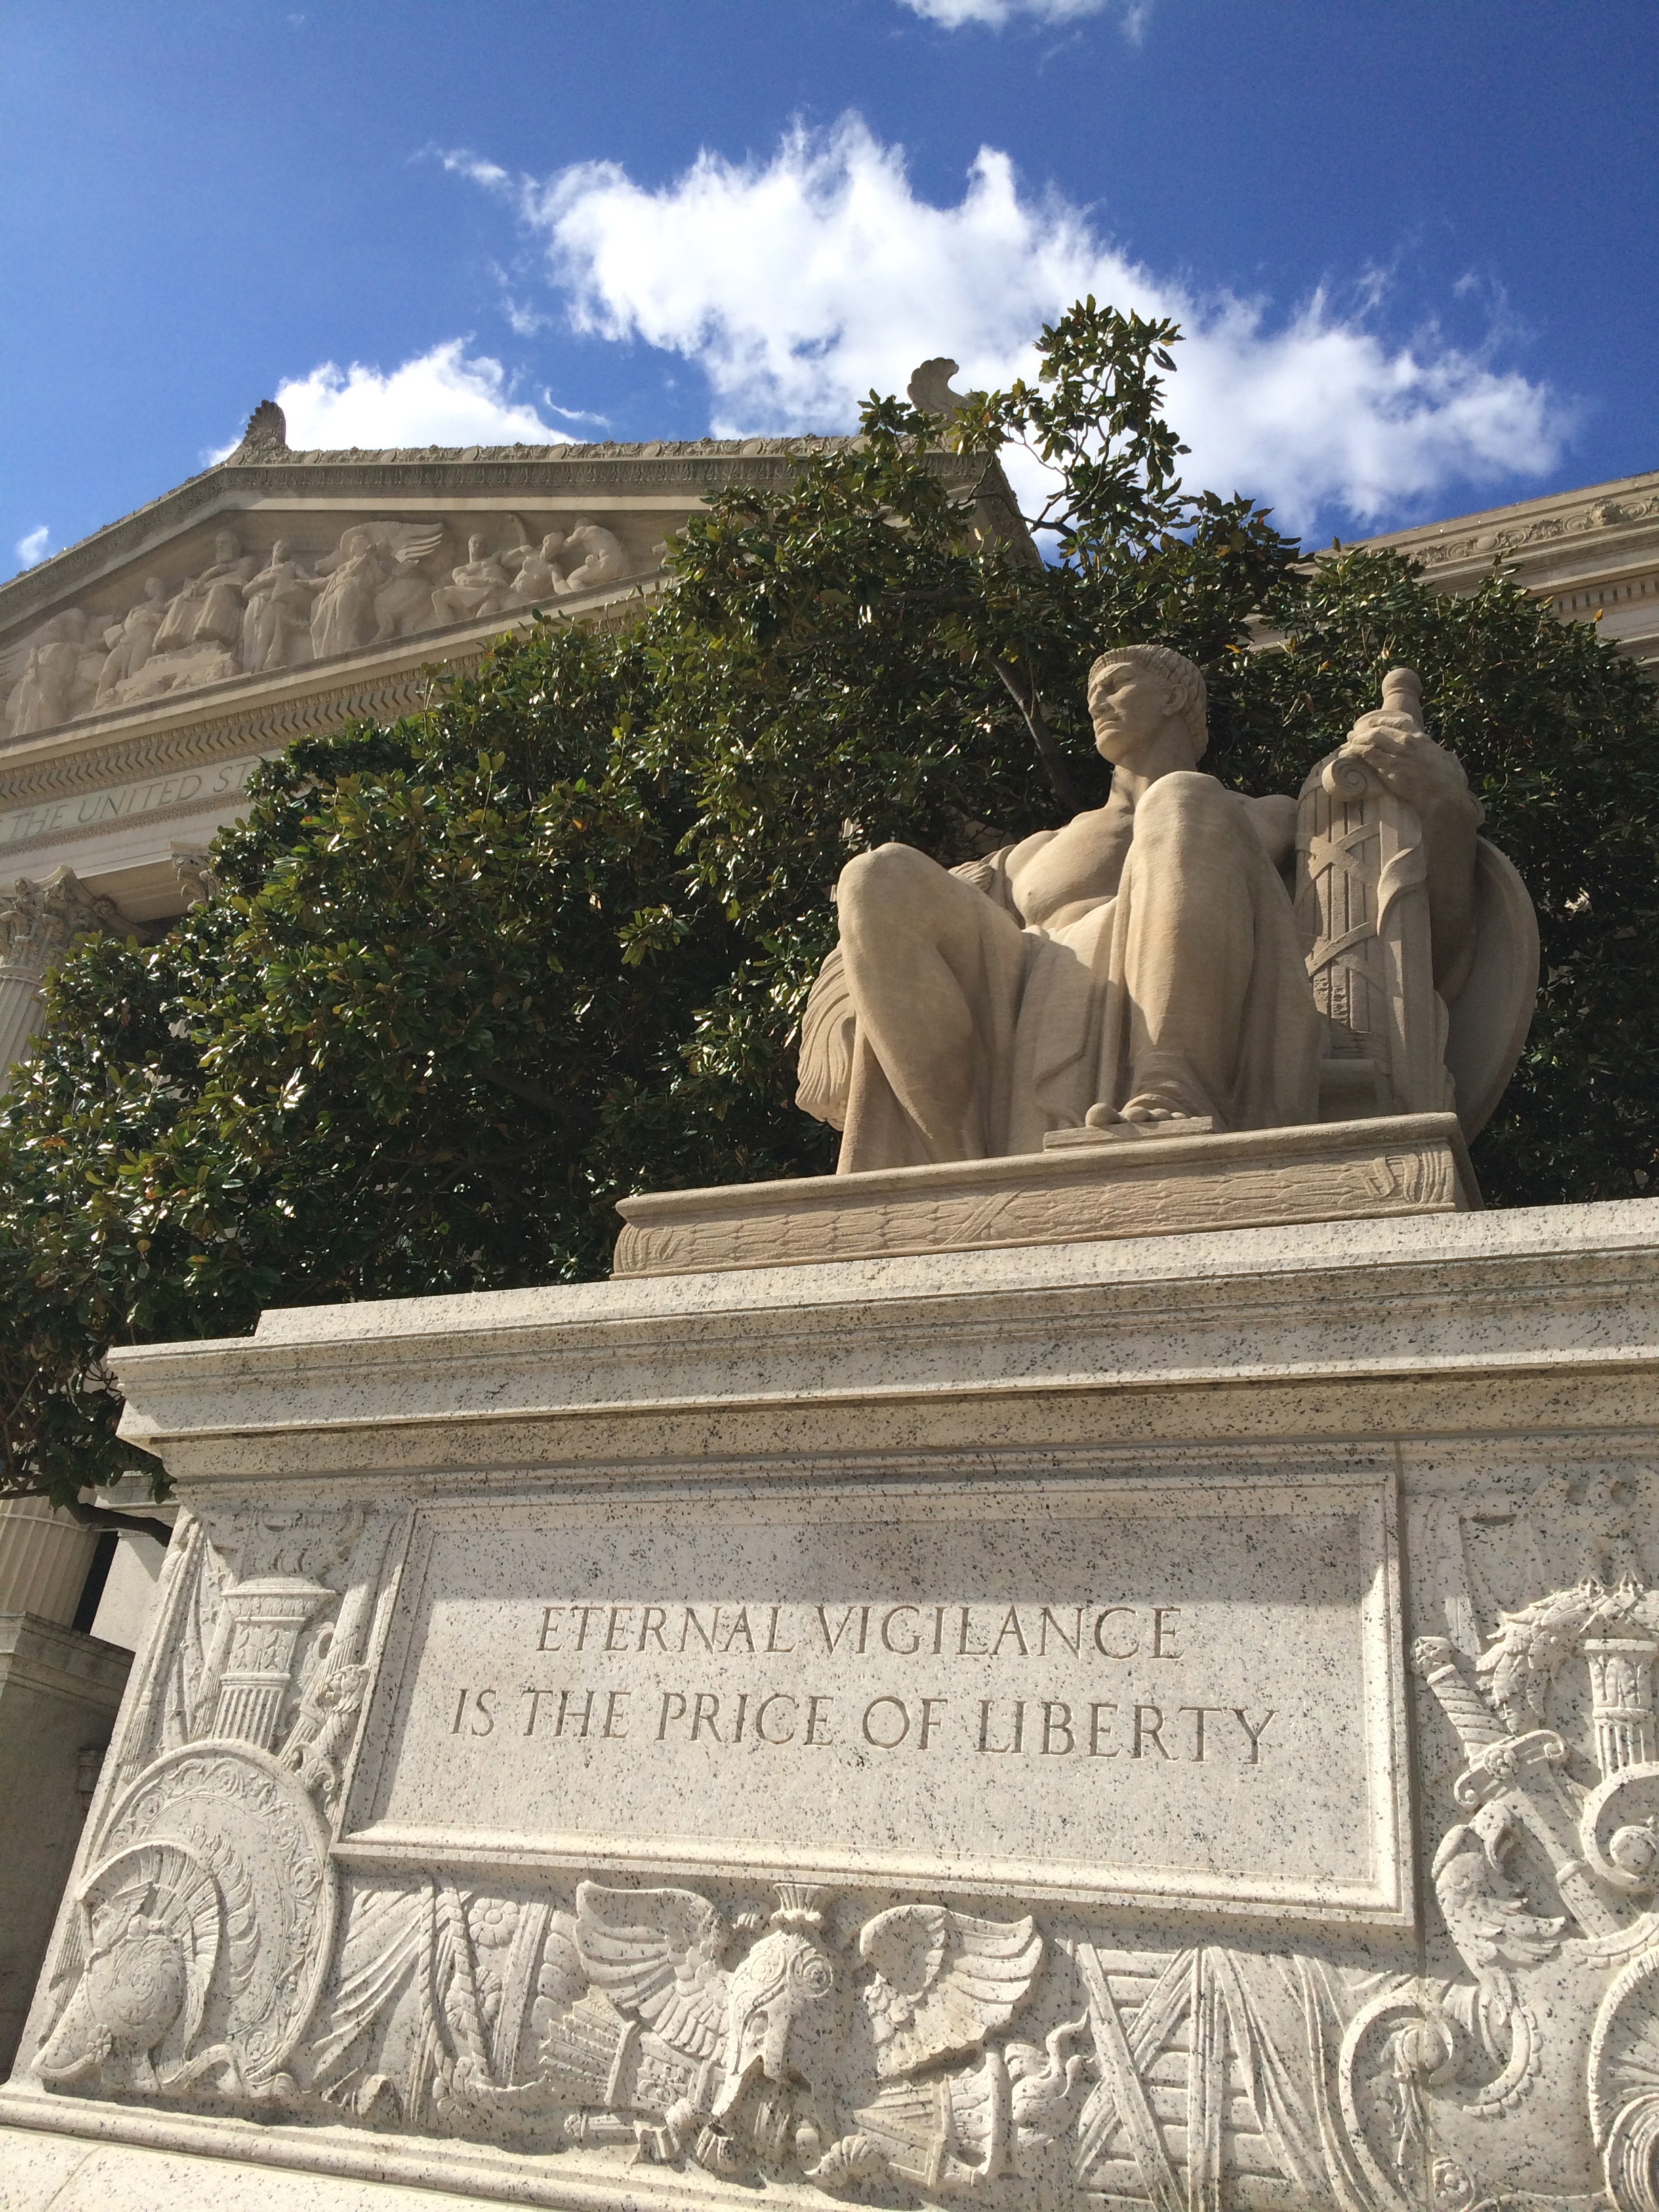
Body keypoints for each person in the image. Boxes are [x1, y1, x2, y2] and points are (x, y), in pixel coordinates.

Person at [797, 642, 1481, 1173]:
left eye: (1117, 685)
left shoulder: (1266, 817)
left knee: (1182, 797)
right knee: (877, 873)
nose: (1098, 701)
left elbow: (1414, 944)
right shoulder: (1032, 851)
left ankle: (1174, 1091)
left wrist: (1442, 810)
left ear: (1175, 697)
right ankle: (952, 1166)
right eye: (1093, 692)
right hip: (1018, 999)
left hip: (1215, 1018)